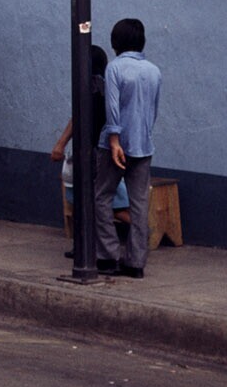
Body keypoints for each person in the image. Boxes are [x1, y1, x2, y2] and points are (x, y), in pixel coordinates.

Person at [93, 17, 163, 278]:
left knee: (101, 197)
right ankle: (136, 263)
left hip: (115, 144)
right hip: (143, 144)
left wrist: (114, 140)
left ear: (116, 42)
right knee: (139, 203)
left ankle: (107, 256)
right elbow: (153, 111)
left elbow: (111, 107)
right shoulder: (154, 71)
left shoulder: (115, 68)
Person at [51, 45, 129, 258]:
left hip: (91, 151)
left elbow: (77, 118)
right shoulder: (106, 85)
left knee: (88, 200)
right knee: (102, 201)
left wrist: (60, 144)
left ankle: (90, 247)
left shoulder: (90, 87)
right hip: (102, 149)